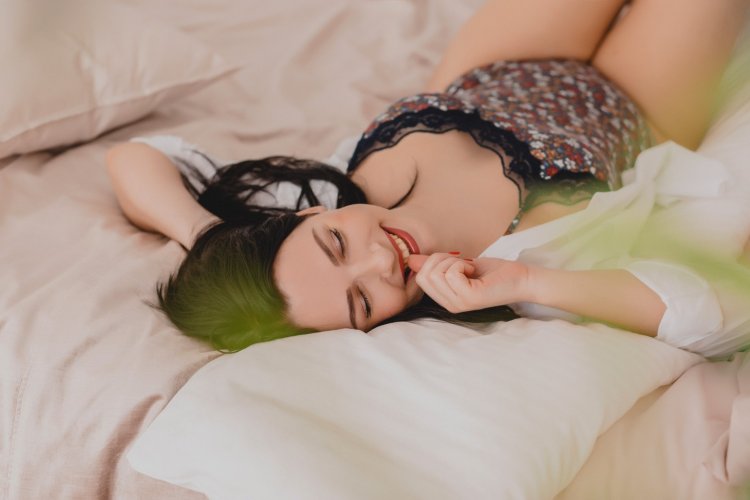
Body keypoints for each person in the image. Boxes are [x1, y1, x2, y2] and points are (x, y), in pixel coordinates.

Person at [107, 0, 750, 356]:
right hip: (636, 103)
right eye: (362, 302)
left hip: (502, 62)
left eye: (337, 243)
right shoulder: (506, 280)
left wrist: (208, 235)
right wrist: (532, 282)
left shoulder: (318, 193)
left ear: (306, 216)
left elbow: (139, 156)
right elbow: (720, 316)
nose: (380, 263)